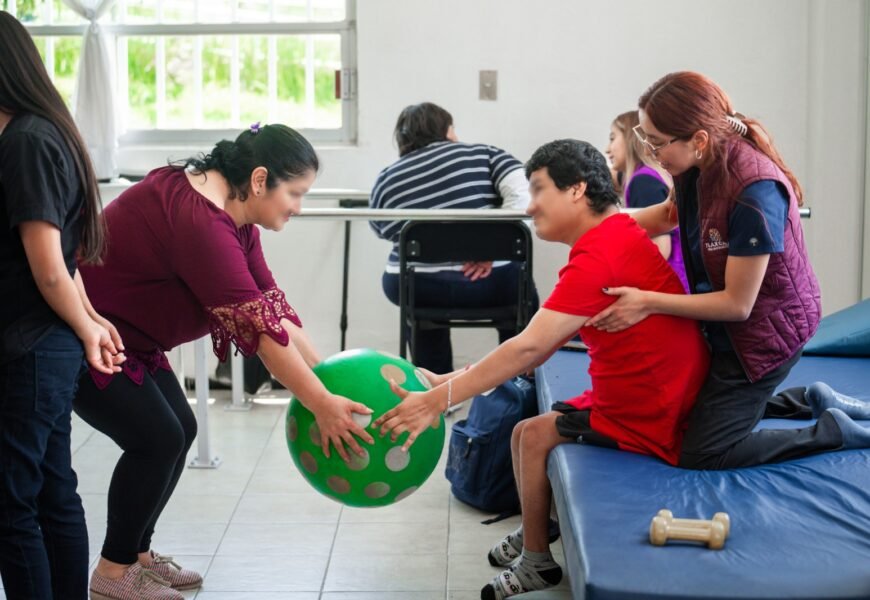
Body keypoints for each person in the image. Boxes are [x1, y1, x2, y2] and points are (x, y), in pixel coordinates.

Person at [374, 139, 712, 599]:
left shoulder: (599, 255)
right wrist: (449, 380)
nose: (529, 206)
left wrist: (436, 402)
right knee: (524, 432)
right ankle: (538, 531)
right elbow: (532, 345)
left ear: (576, 190)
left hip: (652, 408)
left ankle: (536, 562)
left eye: (538, 189)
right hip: (649, 391)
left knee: (533, 435)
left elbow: (529, 348)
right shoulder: (614, 230)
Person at [73, 123, 375, 600]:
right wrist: (320, 403)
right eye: (294, 193)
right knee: (157, 439)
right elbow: (261, 336)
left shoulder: (233, 217)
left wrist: (328, 378)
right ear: (259, 180)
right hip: (82, 335)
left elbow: (271, 309)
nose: (298, 207)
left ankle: (138, 557)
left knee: (180, 431)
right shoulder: (199, 223)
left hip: (130, 338)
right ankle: (112, 574)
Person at [586, 71, 870, 470]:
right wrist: (596, 229)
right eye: (643, 138)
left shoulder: (755, 191)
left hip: (767, 331)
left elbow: (738, 304)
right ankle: (808, 399)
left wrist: (647, 302)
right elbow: (668, 215)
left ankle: (833, 430)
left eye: (656, 141)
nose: (650, 151)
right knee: (692, 414)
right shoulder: (694, 165)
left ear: (698, 139)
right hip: (729, 326)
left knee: (702, 451)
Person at [0, 11, 124, 600]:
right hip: (44, 344)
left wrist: (84, 325)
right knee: (51, 493)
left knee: (12, 503)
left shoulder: (25, 141)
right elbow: (66, 263)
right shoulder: (41, 132)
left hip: (29, 346)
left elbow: (49, 265)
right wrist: (90, 322)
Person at [369, 102, 538, 373]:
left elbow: (381, 227)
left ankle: (434, 388)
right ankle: (518, 378)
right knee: (521, 295)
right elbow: (524, 198)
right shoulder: (486, 154)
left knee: (419, 309)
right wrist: (491, 249)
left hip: (417, 286)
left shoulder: (388, 177)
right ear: (448, 131)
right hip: (491, 283)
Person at [607, 110, 688, 291]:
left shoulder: (642, 183)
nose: (607, 149)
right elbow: (613, 176)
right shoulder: (643, 178)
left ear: (630, 139)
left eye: (612, 139)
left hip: (666, 289)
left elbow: (660, 248)